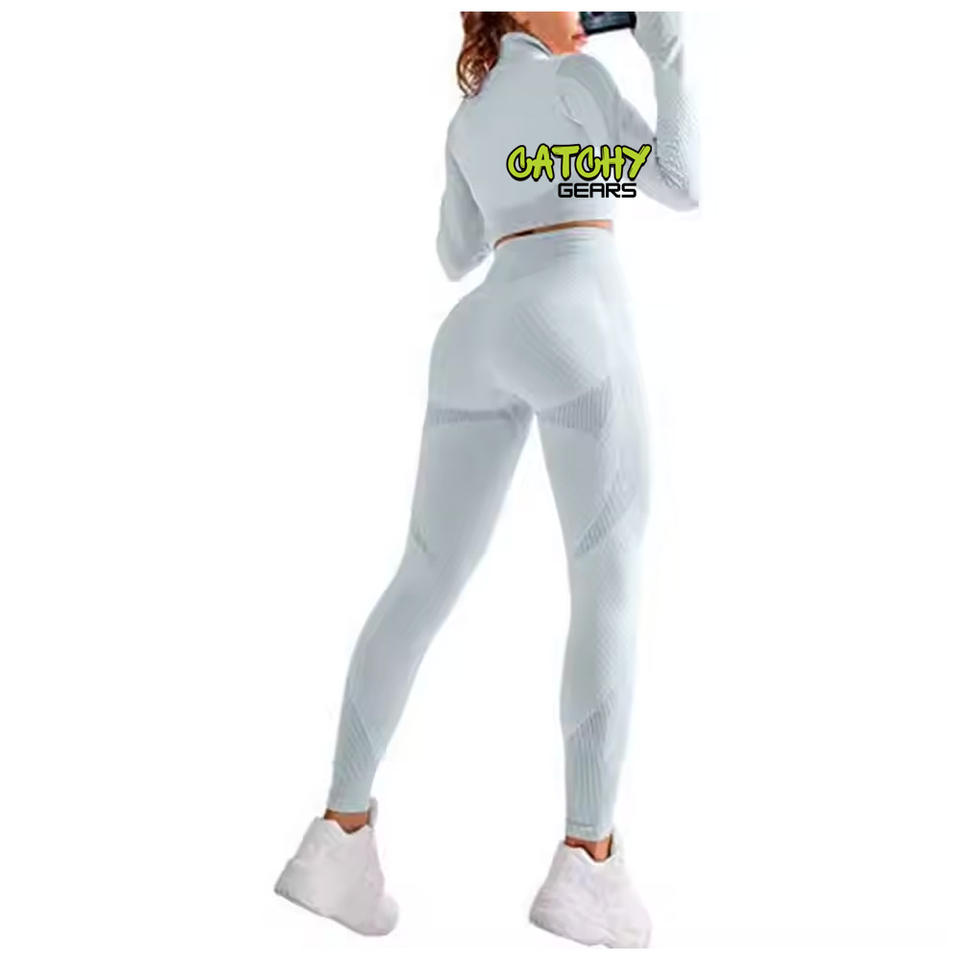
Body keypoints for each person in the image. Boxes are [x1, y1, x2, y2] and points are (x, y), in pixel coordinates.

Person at [274, 11, 698, 948]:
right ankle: (588, 862)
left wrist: (524, 172)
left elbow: (455, 253)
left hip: (476, 336)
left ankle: (338, 839)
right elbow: (678, 182)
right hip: (574, 318)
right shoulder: (579, 82)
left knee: (422, 577)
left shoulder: (467, 119)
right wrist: (667, 54)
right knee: (607, 576)